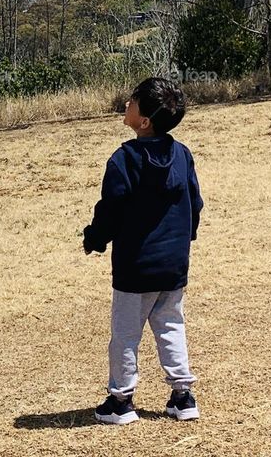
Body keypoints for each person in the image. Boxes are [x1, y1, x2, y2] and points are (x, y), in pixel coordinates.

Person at [82, 76, 203, 425]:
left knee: (125, 333)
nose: (127, 104)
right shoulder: (182, 154)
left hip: (136, 268)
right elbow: (194, 203)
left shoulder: (123, 160)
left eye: (133, 101)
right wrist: (185, 240)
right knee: (170, 326)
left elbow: (111, 210)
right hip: (174, 265)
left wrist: (95, 238)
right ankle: (183, 396)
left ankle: (121, 401)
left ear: (145, 121)